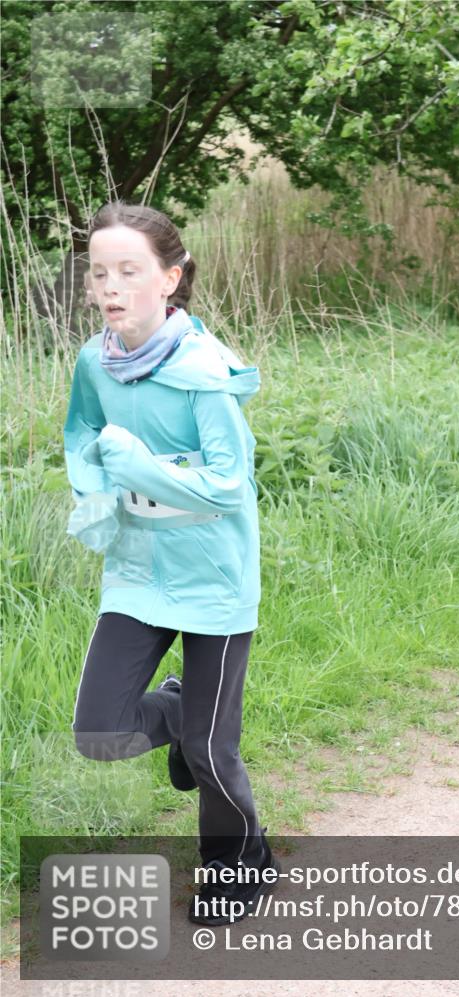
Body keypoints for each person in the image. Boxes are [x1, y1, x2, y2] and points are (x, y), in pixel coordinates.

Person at [63, 200, 280, 926]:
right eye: (99, 273)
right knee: (100, 733)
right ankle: (185, 709)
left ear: (170, 279)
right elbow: (83, 432)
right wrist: (95, 488)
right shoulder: (96, 359)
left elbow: (227, 488)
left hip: (214, 576)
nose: (110, 287)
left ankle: (242, 867)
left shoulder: (203, 372)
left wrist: (139, 465)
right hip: (136, 569)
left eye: (129, 271)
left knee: (212, 755)